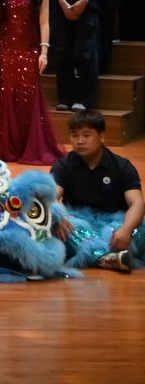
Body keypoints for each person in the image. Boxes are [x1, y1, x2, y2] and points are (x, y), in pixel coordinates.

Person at [0, 0, 64, 163]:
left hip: (30, 49)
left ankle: (30, 147)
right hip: (6, 49)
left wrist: (44, 51)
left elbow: (44, 22)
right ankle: (10, 147)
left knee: (29, 96)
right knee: (7, 96)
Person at [51, 110, 141, 272]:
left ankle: (96, 255)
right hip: (78, 224)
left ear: (101, 136)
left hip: (116, 225)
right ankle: (106, 258)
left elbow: (137, 203)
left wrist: (126, 230)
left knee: (139, 228)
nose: (80, 141)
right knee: (57, 226)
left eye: (86, 135)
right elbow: (50, 198)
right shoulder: (63, 166)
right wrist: (58, 217)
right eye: (74, 135)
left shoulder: (122, 166)